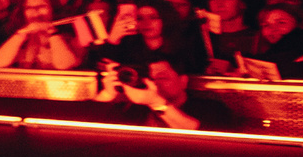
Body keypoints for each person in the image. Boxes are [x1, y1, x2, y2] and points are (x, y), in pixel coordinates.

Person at [95, 56, 233, 131]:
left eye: (162, 78)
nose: (154, 83)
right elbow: (90, 130)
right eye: (150, 78)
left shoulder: (211, 107)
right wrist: (107, 94)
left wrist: (157, 103)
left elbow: (208, 139)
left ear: (183, 81)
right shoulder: (135, 108)